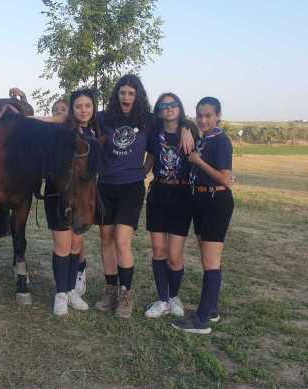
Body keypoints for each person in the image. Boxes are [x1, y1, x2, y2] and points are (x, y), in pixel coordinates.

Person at [93, 74, 194, 318]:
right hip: (105, 186)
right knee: (105, 239)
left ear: (137, 96)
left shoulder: (147, 120)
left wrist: (187, 128)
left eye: (131, 93)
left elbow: (173, 120)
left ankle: (126, 293)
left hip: (131, 187)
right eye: (122, 92)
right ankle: (111, 290)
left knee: (122, 241)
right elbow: (77, 120)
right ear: (117, 95)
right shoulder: (103, 118)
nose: (126, 97)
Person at [171, 97, 234, 334]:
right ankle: (212, 309)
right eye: (200, 115)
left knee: (210, 262)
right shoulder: (203, 138)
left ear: (218, 116)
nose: (203, 119)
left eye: (208, 115)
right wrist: (188, 127)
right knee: (210, 258)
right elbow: (184, 121)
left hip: (216, 201)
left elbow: (226, 179)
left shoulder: (221, 141)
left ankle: (202, 319)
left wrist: (198, 161)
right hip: (201, 200)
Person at [42, 89, 100, 315]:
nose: (83, 110)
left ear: (93, 107)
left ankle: (72, 291)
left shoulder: (95, 130)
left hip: (85, 196)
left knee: (76, 244)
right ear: (71, 110)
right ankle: (60, 294)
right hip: (60, 195)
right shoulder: (60, 131)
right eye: (78, 106)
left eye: (87, 106)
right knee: (63, 246)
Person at [142, 93, 197, 319]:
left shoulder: (190, 131)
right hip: (158, 194)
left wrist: (185, 126)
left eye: (173, 105)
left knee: (175, 255)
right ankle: (162, 299)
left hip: (182, 195)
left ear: (180, 108)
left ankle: (173, 296)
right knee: (158, 251)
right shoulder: (154, 133)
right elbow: (149, 162)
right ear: (158, 111)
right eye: (164, 106)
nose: (169, 109)